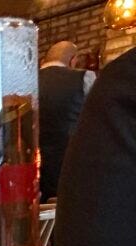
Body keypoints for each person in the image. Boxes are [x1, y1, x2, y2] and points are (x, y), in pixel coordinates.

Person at [52, 47, 136, 246]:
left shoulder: (119, 82)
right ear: (73, 60)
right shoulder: (91, 80)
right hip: (74, 188)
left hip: (70, 190)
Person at [38, 41, 96, 202]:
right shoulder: (84, 77)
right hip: (71, 164)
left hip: (35, 169)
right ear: (73, 60)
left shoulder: (27, 82)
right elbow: (97, 119)